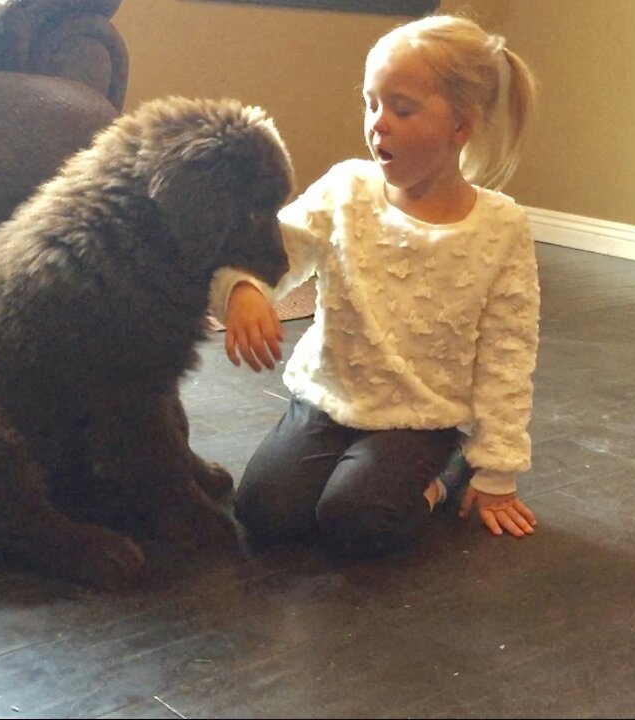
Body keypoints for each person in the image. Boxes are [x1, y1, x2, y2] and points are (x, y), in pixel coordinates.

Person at [211, 13, 540, 558]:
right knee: (264, 511)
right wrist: (244, 286)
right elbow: (274, 252)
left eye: (401, 108)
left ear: (462, 123)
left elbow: (509, 351)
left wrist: (496, 469)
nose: (377, 124)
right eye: (370, 103)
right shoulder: (346, 188)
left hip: (421, 418)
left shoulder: (501, 227)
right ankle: (355, 473)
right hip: (331, 399)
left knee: (359, 522)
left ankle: (448, 471)